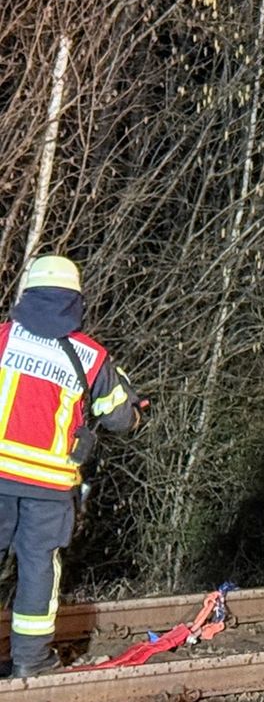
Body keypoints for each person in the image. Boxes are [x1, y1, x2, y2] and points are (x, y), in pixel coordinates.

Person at [0, 256, 141, 677]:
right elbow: (120, 418)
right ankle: (30, 662)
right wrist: (132, 402)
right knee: (38, 566)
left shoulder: (4, 338)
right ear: (75, 301)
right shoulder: (90, 356)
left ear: (28, 295)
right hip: (49, 487)